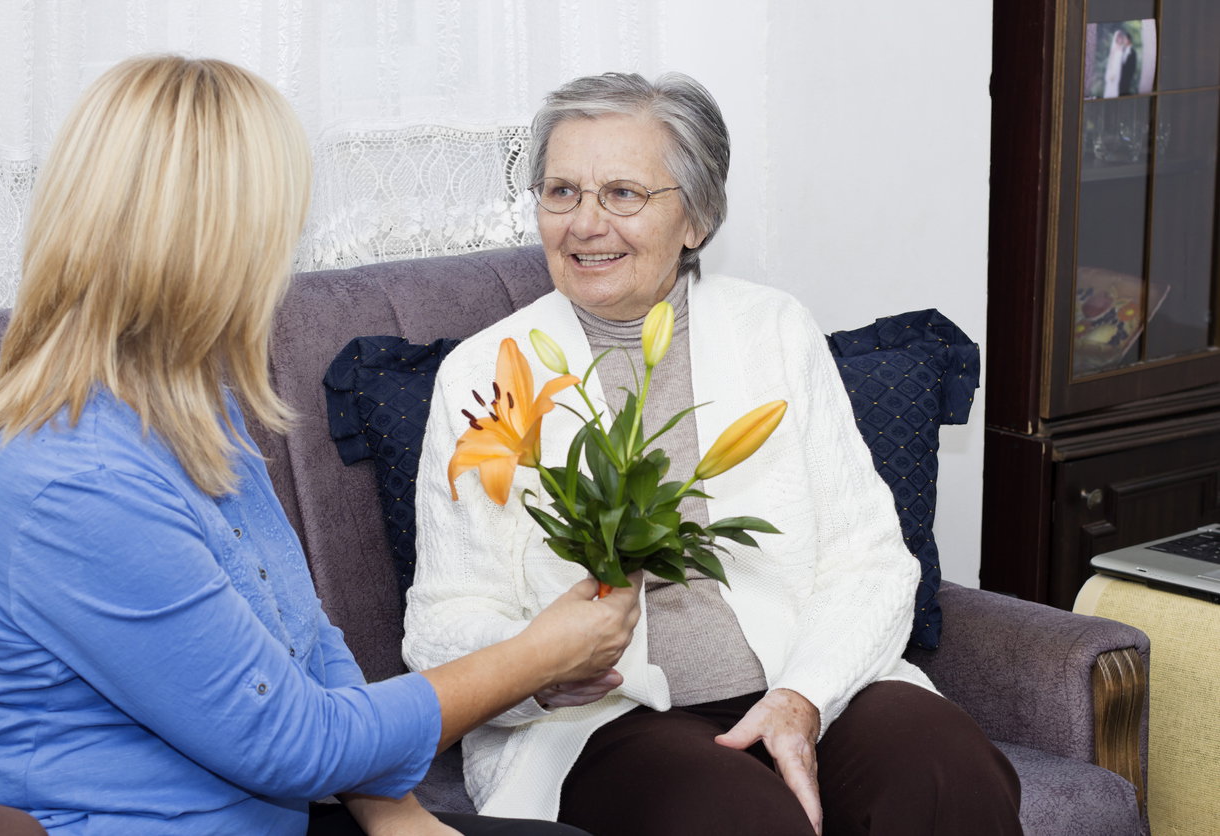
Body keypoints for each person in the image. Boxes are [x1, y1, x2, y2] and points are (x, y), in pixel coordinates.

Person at [0, 55, 641, 836]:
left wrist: (394, 813)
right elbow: (294, 743)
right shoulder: (69, 485)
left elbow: (307, 637)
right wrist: (535, 658)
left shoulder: (190, 404)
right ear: (210, 242)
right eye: (276, 223)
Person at [404, 71, 1023, 836]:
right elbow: (442, 622)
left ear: (695, 218)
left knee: (946, 768)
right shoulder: (484, 373)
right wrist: (539, 668)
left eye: (623, 194)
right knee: (734, 817)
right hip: (601, 722)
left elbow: (869, 561)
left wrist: (803, 698)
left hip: (803, 680)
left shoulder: (775, 331)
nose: (585, 224)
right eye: (561, 192)